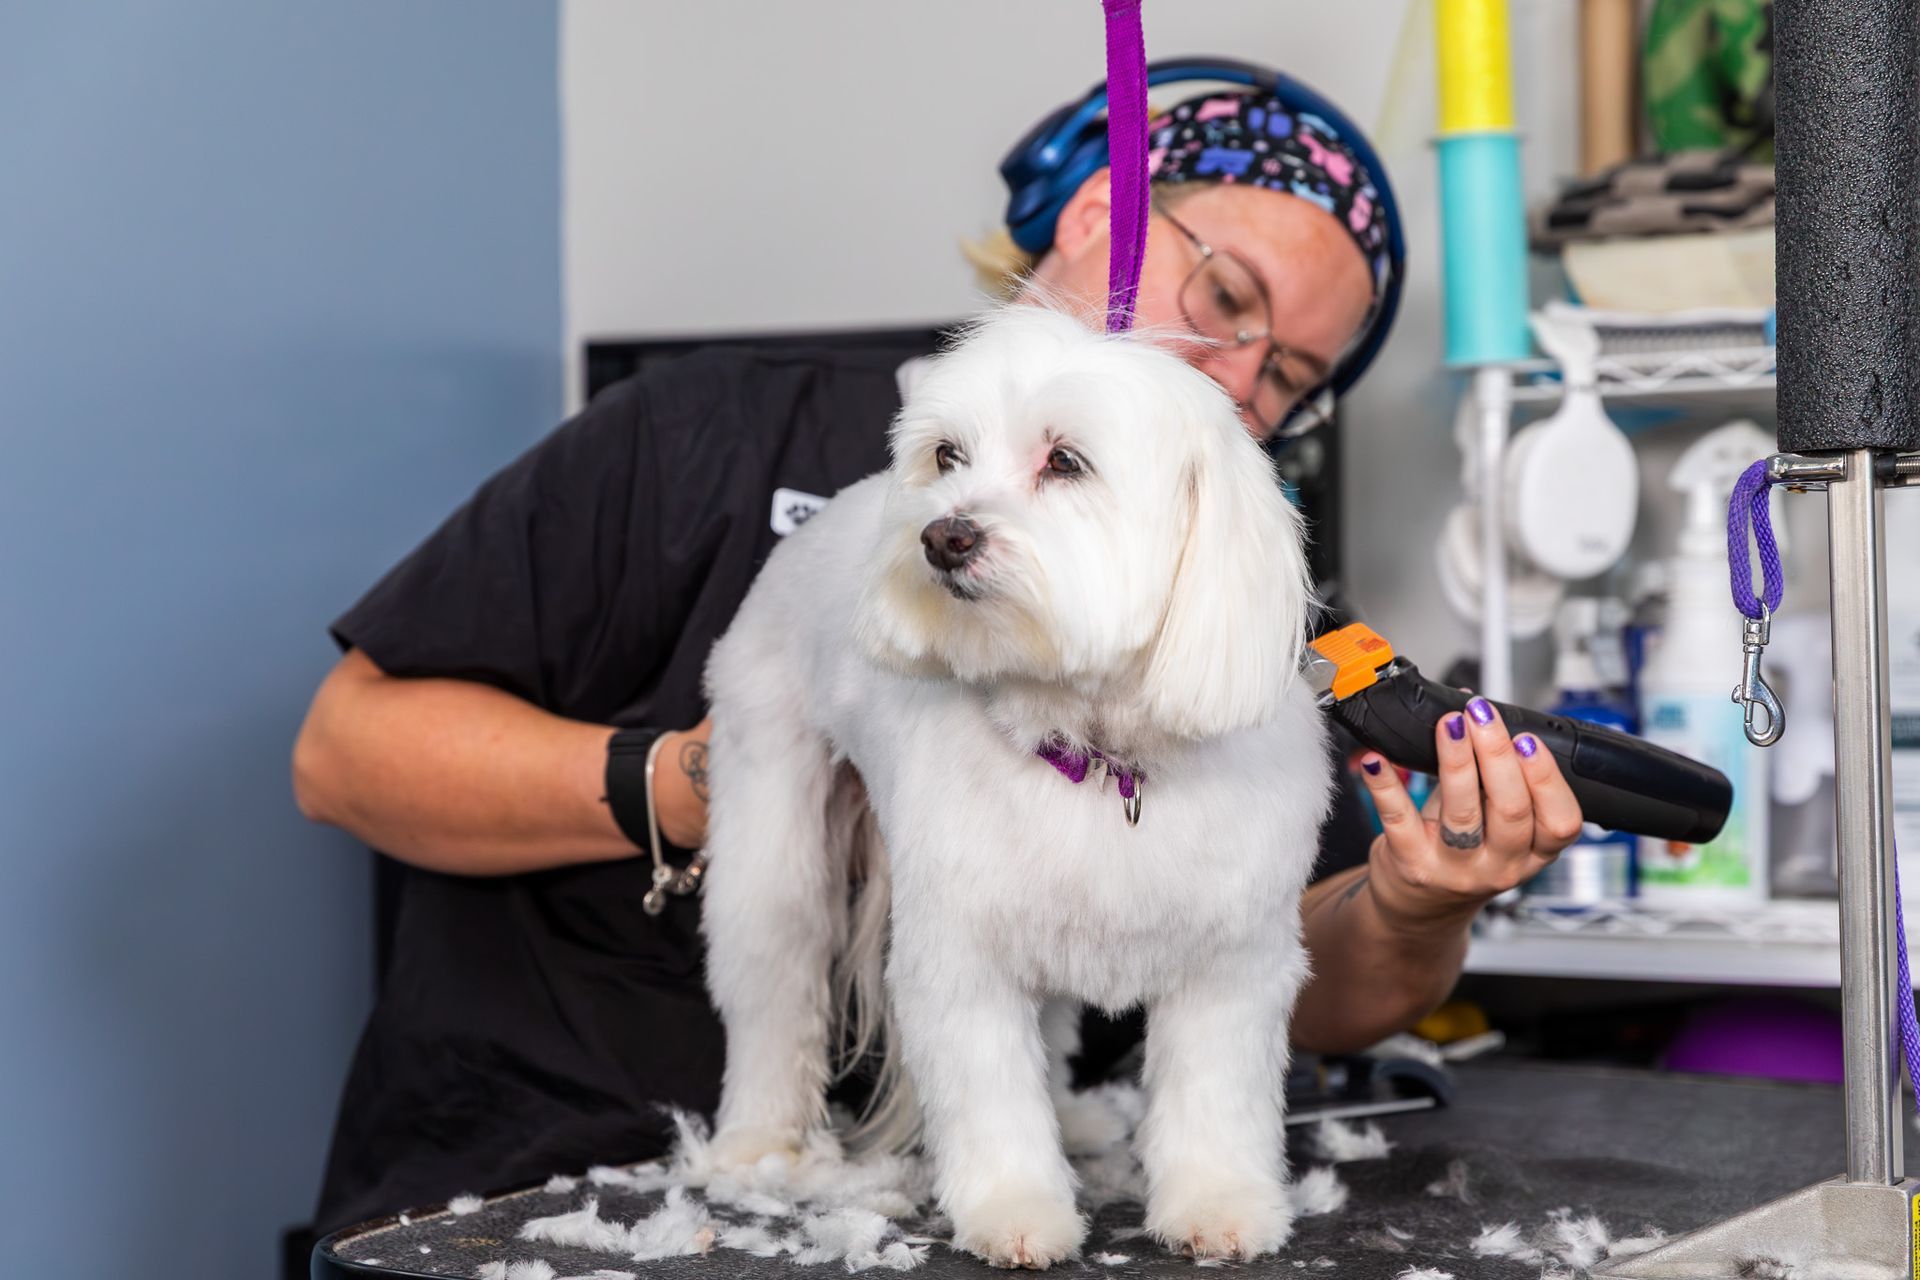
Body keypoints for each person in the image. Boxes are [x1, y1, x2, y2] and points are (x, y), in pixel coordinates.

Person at [292, 82, 1584, 1235]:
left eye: (1288, 373)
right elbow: (340, 754)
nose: (1236, 374)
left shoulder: (1233, 597)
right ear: (1097, 214)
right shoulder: (699, 430)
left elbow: (1278, 964)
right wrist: (704, 786)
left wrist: (1422, 903)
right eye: (1226, 298)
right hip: (535, 1177)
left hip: (970, 1211)